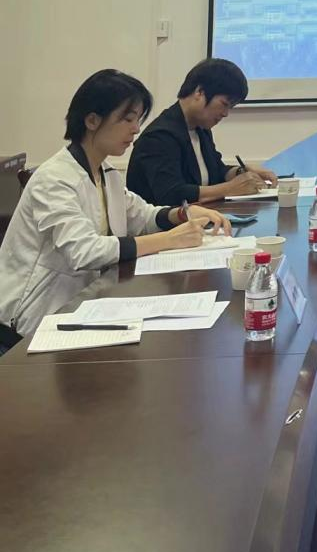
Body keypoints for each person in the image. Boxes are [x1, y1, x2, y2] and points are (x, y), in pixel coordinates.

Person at [0, 70, 229, 341]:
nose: (136, 129)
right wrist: (169, 240)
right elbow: (84, 251)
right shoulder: (54, 179)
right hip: (28, 324)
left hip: (81, 307)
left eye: (138, 120)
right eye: (128, 119)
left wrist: (181, 213)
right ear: (92, 120)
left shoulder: (105, 172)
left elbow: (142, 216)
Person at [127, 58, 276, 205]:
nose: (225, 114)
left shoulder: (201, 129)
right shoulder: (159, 137)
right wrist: (230, 189)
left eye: (230, 107)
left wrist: (241, 173)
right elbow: (171, 193)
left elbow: (217, 171)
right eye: (224, 104)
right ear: (199, 92)